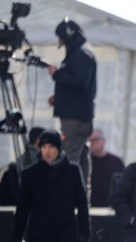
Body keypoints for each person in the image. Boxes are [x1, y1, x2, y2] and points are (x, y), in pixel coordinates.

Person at [47, 18, 96, 198]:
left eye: (61, 38)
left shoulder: (82, 55)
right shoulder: (80, 54)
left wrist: (57, 74)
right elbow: (80, 87)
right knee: (80, 155)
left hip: (75, 118)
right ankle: (82, 199)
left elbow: (81, 82)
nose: (59, 42)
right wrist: (59, 98)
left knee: (70, 157)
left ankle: (69, 199)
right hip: (77, 115)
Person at [88, 128, 124, 207]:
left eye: (95, 140)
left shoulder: (116, 162)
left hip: (109, 208)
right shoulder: (84, 162)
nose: (92, 143)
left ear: (104, 141)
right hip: (88, 207)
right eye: (90, 140)